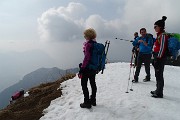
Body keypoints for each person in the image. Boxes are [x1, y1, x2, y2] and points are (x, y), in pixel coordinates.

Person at [78, 28, 97, 108]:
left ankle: (87, 102)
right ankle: (93, 100)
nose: (84, 36)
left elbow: (87, 58)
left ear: (88, 36)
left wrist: (82, 68)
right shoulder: (95, 44)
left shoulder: (88, 45)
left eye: (85, 35)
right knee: (93, 83)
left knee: (84, 84)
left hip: (87, 68)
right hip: (94, 68)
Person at [151, 16, 169, 98]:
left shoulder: (163, 35)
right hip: (157, 56)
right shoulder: (159, 35)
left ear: (160, 27)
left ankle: (159, 93)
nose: (154, 28)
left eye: (156, 26)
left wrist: (158, 59)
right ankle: (157, 89)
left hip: (160, 57)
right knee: (157, 74)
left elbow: (162, 48)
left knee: (159, 74)